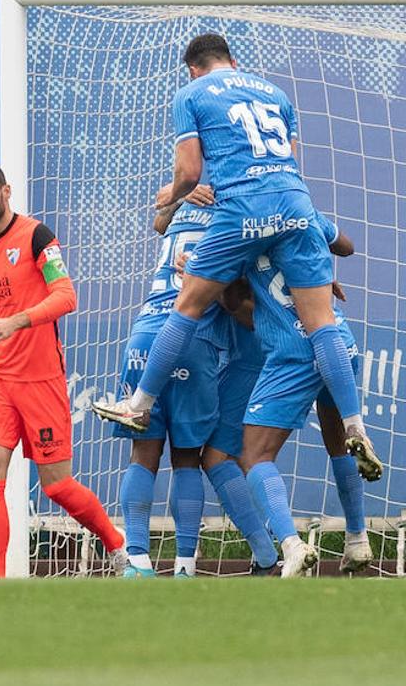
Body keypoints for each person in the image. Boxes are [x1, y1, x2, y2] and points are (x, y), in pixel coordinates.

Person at [92, 33, 380, 479]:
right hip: (296, 204)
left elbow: (189, 172)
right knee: (322, 323)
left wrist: (173, 194)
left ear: (192, 68)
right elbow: (289, 164)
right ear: (233, 60)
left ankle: (139, 405)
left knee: (186, 304)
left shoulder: (190, 94)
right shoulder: (275, 93)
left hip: (242, 209)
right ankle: (354, 424)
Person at [0, 163, 126, 578]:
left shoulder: (36, 236)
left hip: (41, 379)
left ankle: (116, 543)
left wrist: (17, 321)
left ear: (6, 191)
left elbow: (66, 296)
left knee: (57, 486)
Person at [114, 184, 279, 578]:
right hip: (194, 340)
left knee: (143, 455)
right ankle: (185, 566)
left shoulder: (190, 199)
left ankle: (137, 562)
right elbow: (244, 306)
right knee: (189, 458)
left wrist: (176, 195)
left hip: (144, 336)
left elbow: (158, 220)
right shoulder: (242, 218)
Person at [226, 212, 373, 576]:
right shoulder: (301, 210)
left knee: (254, 454)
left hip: (295, 352)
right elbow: (347, 246)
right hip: (340, 344)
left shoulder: (239, 225)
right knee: (338, 441)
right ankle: (357, 538)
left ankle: (291, 544)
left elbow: (230, 301)